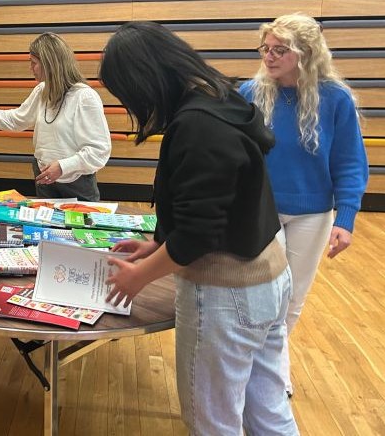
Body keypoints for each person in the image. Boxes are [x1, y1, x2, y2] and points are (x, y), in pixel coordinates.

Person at [99, 22, 298, 435]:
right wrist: (155, 244)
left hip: (228, 294)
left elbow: (199, 233)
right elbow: (213, 200)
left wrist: (141, 275)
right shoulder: (220, 97)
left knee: (212, 422)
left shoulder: (196, 125)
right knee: (268, 411)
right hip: (269, 277)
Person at [239, 13, 368, 398]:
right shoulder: (249, 93)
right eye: (266, 48)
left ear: (306, 53)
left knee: (291, 298)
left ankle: (271, 370)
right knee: (259, 292)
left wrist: (345, 219)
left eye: (281, 50)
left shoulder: (335, 99)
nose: (270, 56)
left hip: (312, 214)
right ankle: (257, 368)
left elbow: (350, 162)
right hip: (261, 210)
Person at [0, 32, 110, 201]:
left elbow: (99, 151)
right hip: (44, 178)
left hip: (77, 184)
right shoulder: (42, 90)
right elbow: (17, 120)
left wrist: (63, 167)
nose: (30, 68)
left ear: (50, 64)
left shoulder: (85, 97)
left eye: (34, 63)